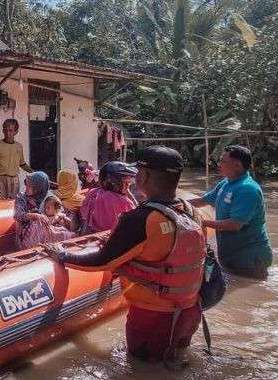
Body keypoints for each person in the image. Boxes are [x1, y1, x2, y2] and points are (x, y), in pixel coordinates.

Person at [44, 146, 206, 366]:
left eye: (138, 172)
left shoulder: (140, 219)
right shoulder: (190, 211)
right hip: (189, 310)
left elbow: (102, 261)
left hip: (153, 317)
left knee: (144, 372)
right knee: (174, 365)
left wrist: (62, 255)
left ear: (145, 176)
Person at [191, 145, 272, 279]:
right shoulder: (226, 183)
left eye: (223, 161)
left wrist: (202, 222)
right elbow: (202, 201)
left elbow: (235, 224)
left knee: (249, 295)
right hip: (232, 255)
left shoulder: (248, 189)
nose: (219, 164)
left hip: (250, 260)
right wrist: (176, 205)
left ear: (237, 165)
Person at [80, 161, 139, 234]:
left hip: (91, 237)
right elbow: (137, 216)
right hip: (112, 239)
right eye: (125, 182)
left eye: (129, 183)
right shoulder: (122, 201)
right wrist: (129, 195)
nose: (128, 186)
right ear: (113, 182)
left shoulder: (93, 192)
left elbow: (83, 212)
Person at [0, 119, 31, 200]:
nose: (7, 133)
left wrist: (33, 172)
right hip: (0, 179)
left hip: (14, 180)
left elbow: (22, 164)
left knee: (13, 203)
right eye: (5, 130)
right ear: (3, 130)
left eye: (10, 130)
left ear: (16, 132)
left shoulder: (19, 146)